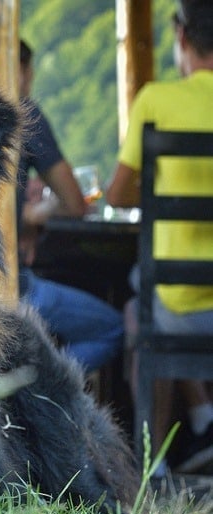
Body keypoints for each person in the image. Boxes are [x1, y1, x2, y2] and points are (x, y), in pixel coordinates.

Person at [106, 0, 213, 476]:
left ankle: (157, 464)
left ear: (183, 39)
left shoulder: (156, 100)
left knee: (141, 314)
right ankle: (203, 420)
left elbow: (119, 192)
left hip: (180, 305)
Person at [16, 39, 124, 373]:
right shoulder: (23, 114)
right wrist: (35, 213)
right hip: (14, 288)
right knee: (112, 327)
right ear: (20, 71)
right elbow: (76, 203)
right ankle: (41, 392)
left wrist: (23, 214)